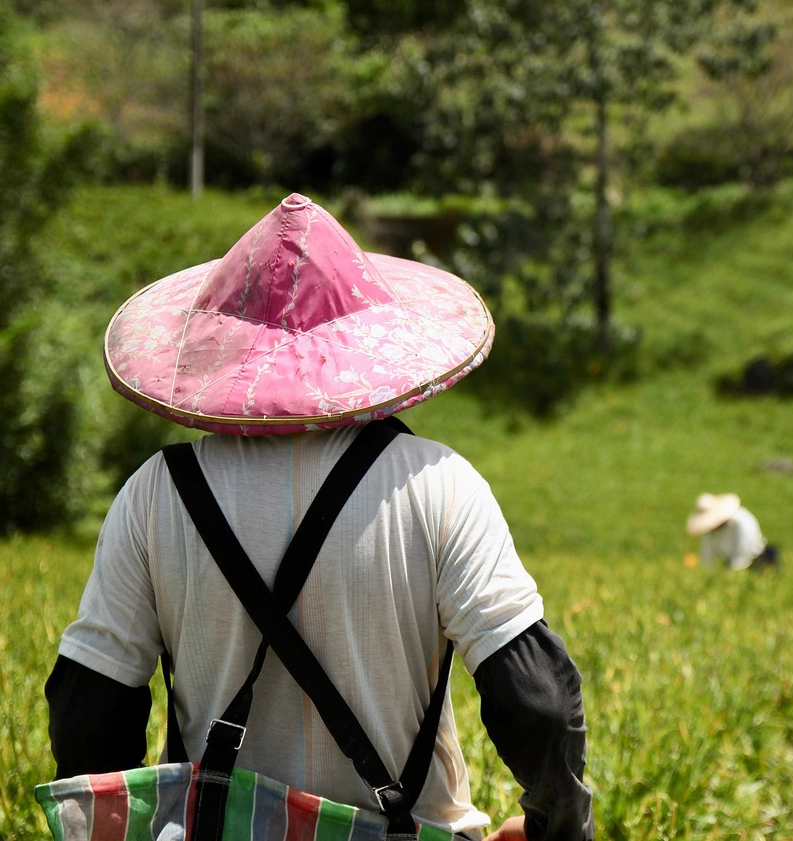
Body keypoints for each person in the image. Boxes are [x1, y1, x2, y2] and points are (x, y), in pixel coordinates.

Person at [44, 194, 593, 841]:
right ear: (369, 343)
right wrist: (557, 828)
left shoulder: (156, 493)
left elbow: (88, 720)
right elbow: (539, 703)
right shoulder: (436, 484)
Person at [686, 493, 779, 570]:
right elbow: (707, 555)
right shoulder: (712, 531)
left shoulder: (741, 523)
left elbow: (743, 552)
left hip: (757, 562)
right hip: (731, 563)